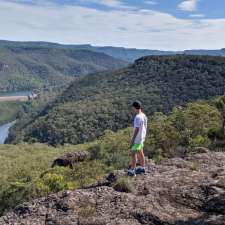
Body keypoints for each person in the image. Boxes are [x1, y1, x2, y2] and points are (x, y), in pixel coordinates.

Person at [128, 100, 148, 176]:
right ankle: (142, 168)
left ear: (134, 107)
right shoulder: (144, 115)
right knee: (140, 152)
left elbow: (137, 129)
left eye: (133, 107)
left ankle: (132, 171)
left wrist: (132, 139)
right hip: (142, 137)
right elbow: (145, 127)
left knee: (133, 154)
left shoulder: (137, 117)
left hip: (137, 139)